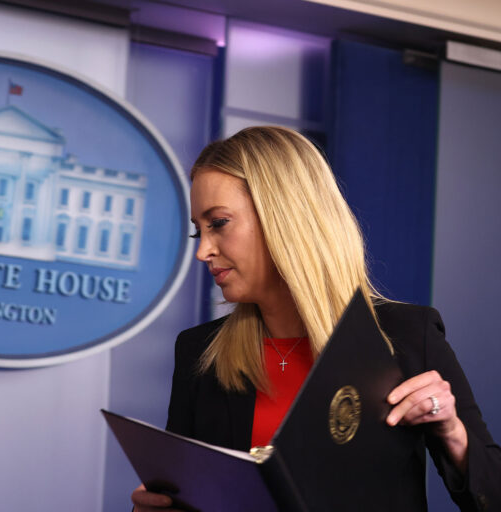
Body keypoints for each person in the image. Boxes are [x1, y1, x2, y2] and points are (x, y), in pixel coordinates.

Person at [131, 126, 501, 511]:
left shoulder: (406, 337)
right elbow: (183, 495)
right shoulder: (198, 353)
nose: (203, 250)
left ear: (286, 216)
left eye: (219, 223)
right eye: (198, 232)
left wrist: (454, 435)